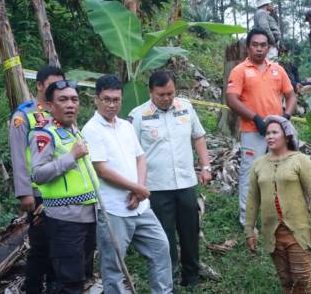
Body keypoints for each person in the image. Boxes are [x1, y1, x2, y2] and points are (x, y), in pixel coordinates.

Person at [82, 75, 173, 294]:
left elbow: (140, 158)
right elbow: (101, 170)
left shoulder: (125, 126)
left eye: (116, 99)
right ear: (96, 99)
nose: (112, 104)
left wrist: (139, 190)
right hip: (113, 210)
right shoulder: (91, 129)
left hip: (140, 206)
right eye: (107, 99)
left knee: (161, 248)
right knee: (113, 266)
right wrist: (137, 189)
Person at [129, 71, 212, 287]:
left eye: (170, 93)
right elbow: (132, 153)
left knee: (190, 232)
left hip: (185, 183)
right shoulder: (138, 115)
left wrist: (205, 166)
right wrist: (135, 185)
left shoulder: (185, 107)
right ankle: (169, 278)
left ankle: (191, 276)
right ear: (151, 92)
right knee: (163, 236)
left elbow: (198, 136)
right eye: (161, 94)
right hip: (156, 187)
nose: (167, 98)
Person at [28, 80, 98, 294]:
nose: (70, 104)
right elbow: (38, 174)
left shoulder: (74, 132)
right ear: (49, 106)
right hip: (65, 219)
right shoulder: (44, 135)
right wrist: (72, 157)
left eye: (74, 99)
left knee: (81, 276)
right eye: (63, 100)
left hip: (88, 215)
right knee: (68, 282)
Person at [226, 28, 296, 226]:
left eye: (263, 45)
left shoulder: (277, 69)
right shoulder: (240, 70)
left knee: (280, 172)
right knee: (250, 174)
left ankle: (279, 216)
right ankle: (246, 219)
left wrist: (286, 117)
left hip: (278, 130)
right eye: (255, 45)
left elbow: (291, 95)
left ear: (268, 47)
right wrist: (255, 118)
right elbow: (231, 99)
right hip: (252, 131)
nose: (259, 49)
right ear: (248, 47)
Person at [9, 66, 65, 294]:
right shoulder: (24, 115)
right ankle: (33, 289)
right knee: (40, 247)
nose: (57, 90)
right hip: (40, 193)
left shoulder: (61, 111)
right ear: (40, 86)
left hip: (63, 192)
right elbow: (19, 155)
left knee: (60, 247)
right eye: (52, 85)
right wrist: (25, 193)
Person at [245, 115, 311, 293]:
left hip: (298, 232)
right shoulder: (258, 164)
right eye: (267, 133)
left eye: (275, 132)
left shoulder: (301, 161)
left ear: (287, 136)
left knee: (302, 280)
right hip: (272, 233)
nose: (270, 136)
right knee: (285, 280)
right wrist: (249, 230)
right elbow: (252, 199)